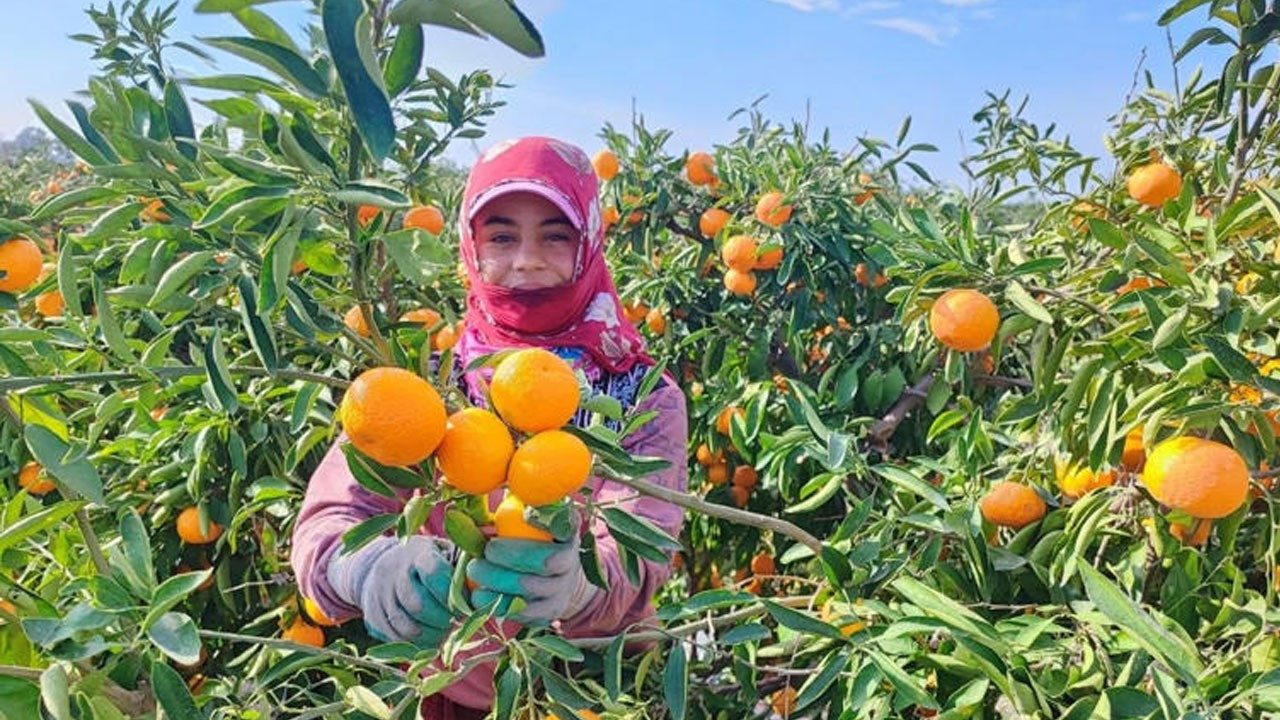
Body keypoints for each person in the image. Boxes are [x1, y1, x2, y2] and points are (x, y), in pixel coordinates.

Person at [291, 136, 689, 720]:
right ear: (471, 247)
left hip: (581, 690)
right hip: (443, 690)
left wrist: (581, 586)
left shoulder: (643, 395)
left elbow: (643, 549)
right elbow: (331, 517)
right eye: (502, 236)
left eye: (556, 234)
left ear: (590, 241)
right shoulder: (428, 382)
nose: (526, 259)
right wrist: (363, 569)